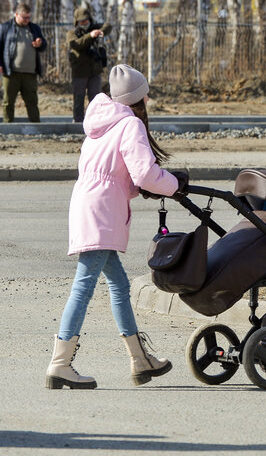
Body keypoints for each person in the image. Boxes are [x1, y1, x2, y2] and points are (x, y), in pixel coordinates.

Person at [45, 64, 189, 389]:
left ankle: (140, 360)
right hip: (103, 212)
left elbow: (117, 174)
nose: (148, 98)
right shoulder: (131, 125)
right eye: (145, 93)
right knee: (83, 286)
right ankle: (60, 363)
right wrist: (174, 184)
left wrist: (144, 187)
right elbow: (145, 174)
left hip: (88, 205)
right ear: (136, 98)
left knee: (120, 285)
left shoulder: (100, 125)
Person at [0, 3, 47, 122]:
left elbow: (43, 45)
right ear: (16, 14)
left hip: (30, 73)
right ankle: (8, 126)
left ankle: (36, 126)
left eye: (28, 17)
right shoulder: (5, 27)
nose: (27, 20)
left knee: (32, 101)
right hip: (11, 72)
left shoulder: (34, 28)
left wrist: (40, 44)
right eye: (24, 17)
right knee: (8, 101)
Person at [67, 5, 112, 122]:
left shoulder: (95, 28)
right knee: (79, 99)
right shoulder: (72, 33)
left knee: (96, 99)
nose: (84, 23)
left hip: (95, 71)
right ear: (77, 22)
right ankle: (78, 121)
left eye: (86, 20)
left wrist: (100, 32)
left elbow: (108, 26)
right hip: (79, 72)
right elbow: (76, 44)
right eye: (81, 21)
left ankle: (95, 122)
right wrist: (90, 36)